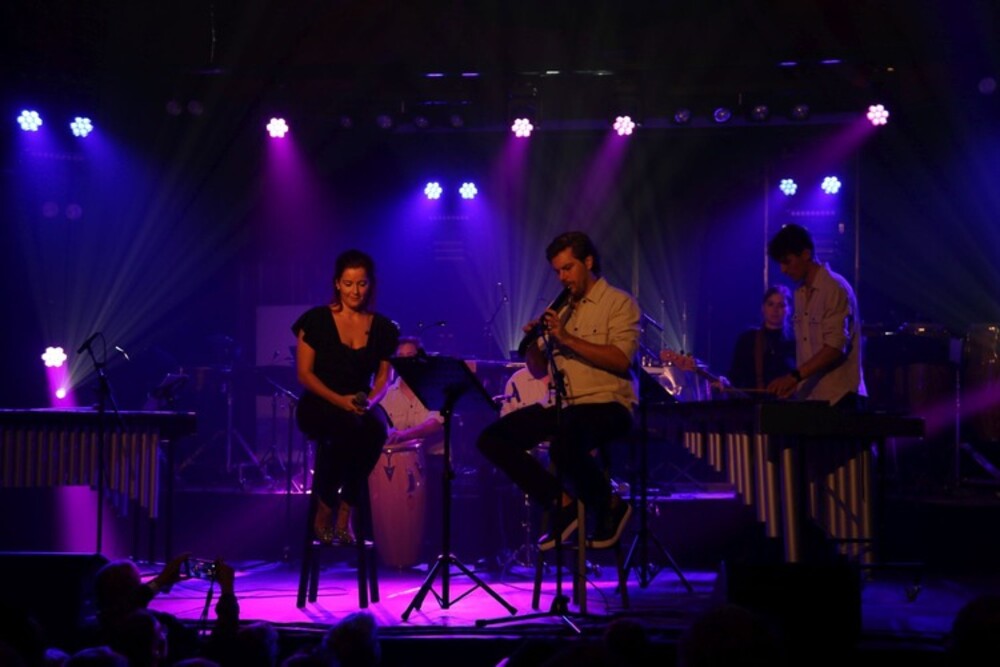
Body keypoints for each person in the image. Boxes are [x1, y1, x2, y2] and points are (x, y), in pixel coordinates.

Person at [477, 231, 640, 550]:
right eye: (557, 271)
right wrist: (532, 344)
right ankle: (562, 505)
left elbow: (621, 359)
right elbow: (538, 370)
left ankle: (610, 505)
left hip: (608, 403)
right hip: (564, 406)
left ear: (588, 262)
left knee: (564, 445)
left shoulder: (619, 302)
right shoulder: (561, 309)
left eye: (568, 268)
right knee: (492, 439)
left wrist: (566, 338)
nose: (562, 277)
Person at [293, 249, 399, 544]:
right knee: (345, 428)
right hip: (321, 401)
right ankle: (325, 504)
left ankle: (346, 506)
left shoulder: (383, 328)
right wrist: (340, 401)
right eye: (349, 283)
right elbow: (304, 374)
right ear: (337, 283)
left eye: (362, 284)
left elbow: (383, 378)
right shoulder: (316, 320)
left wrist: (370, 401)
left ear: (370, 285)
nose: (355, 291)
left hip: (359, 401)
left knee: (376, 429)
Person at [764, 224, 867, 409]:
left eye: (787, 261)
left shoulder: (834, 287)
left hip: (840, 398)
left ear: (806, 254)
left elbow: (835, 347)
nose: (783, 269)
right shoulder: (800, 293)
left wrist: (794, 377)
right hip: (812, 398)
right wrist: (797, 384)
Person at [379, 336, 444, 455]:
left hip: (434, 457)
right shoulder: (385, 395)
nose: (405, 362)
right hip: (399, 460)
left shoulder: (435, 390)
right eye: (400, 357)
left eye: (410, 356)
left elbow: (435, 424)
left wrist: (405, 435)